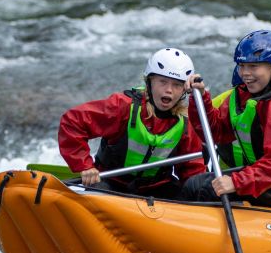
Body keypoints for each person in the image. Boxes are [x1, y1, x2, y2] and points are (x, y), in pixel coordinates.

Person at [180, 29, 271, 211]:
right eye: (242, 66)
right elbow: (215, 133)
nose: (245, 73)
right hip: (269, 178)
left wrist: (236, 182)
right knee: (195, 185)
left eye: (253, 67)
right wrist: (201, 98)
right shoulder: (245, 94)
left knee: (202, 188)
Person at [57, 48, 206, 198]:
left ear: (184, 91)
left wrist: (200, 192)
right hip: (111, 181)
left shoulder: (186, 123)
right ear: (150, 82)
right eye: (163, 82)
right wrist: (85, 166)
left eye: (177, 85)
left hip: (156, 187)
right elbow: (72, 122)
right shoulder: (122, 107)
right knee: (98, 195)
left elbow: (192, 169)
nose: (169, 90)